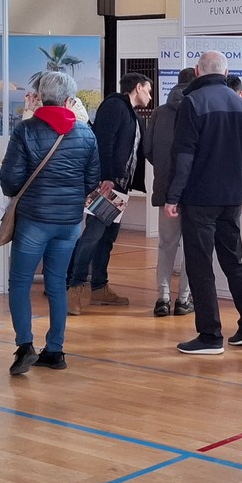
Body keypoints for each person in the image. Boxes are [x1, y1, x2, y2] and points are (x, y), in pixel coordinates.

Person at [0, 71, 99, 375]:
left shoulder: (26, 130)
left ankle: (24, 346)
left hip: (34, 220)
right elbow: (92, 180)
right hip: (69, 222)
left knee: (20, 282)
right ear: (70, 100)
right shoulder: (86, 133)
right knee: (57, 283)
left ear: (41, 97)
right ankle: (55, 350)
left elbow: (10, 179)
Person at [164, 51, 242, 355]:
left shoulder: (193, 102)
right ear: (226, 72)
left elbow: (184, 154)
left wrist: (173, 195)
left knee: (200, 265)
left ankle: (210, 335)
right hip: (232, 197)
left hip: (200, 197)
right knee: (234, 261)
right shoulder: (241, 104)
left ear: (197, 71)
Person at [65, 72, 152, 315]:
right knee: (93, 235)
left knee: (107, 237)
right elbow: (103, 142)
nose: (150, 96)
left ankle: (99, 287)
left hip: (119, 187)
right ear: (138, 87)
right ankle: (74, 287)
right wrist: (107, 177)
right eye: (148, 90)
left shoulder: (131, 113)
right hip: (108, 185)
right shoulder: (115, 106)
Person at [143, 67, 196, 317]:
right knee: (192, 246)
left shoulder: (159, 112)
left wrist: (164, 168)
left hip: (165, 188)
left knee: (166, 245)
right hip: (194, 191)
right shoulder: (198, 109)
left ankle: (162, 298)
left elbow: (148, 149)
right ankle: (184, 299)